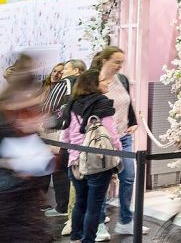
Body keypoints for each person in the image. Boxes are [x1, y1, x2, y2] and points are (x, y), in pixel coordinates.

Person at [90, 46, 145, 237]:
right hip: (102, 139)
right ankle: (99, 223)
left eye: (122, 62)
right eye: (116, 62)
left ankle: (125, 220)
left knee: (128, 177)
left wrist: (133, 122)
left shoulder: (122, 80)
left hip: (124, 136)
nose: (120, 66)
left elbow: (126, 102)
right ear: (104, 60)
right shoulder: (93, 80)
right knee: (102, 181)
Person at [64, 69, 121, 243]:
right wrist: (118, 155)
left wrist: (74, 153)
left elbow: (65, 136)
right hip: (96, 162)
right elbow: (112, 136)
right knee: (94, 206)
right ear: (93, 84)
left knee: (80, 203)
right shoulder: (102, 104)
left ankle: (76, 237)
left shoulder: (72, 104)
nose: (108, 83)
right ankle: (88, 240)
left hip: (74, 162)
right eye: (103, 80)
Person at [0, 54, 49, 243]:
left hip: (26, 195)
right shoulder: (5, 115)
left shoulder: (24, 114)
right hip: (7, 196)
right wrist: (12, 162)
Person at [40, 58, 86, 222]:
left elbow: (52, 106)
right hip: (77, 132)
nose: (62, 73)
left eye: (66, 69)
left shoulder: (66, 82)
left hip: (57, 131)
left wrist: (46, 122)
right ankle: (69, 206)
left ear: (76, 70)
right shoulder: (84, 86)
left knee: (58, 168)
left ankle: (63, 206)